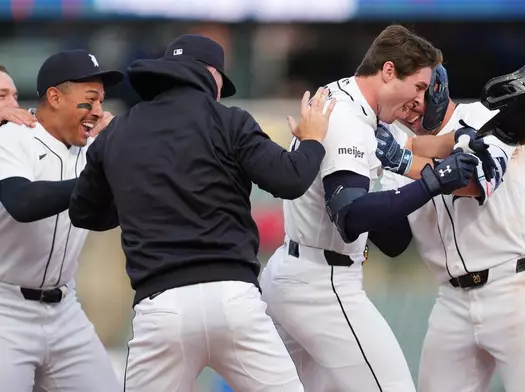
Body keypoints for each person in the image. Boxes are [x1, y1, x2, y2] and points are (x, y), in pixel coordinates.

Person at [68, 34, 336, 392]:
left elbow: (84, 212)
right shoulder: (230, 121)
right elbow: (290, 179)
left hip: (162, 307)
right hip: (233, 301)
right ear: (211, 75)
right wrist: (314, 139)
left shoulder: (117, 133)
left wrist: (141, 196)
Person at [259, 25, 493, 392]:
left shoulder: (350, 104)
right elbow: (351, 217)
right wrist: (433, 183)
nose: (420, 101)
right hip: (322, 283)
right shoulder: (349, 120)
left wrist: (412, 173)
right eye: (417, 86)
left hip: (293, 271)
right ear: (387, 71)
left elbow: (392, 239)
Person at [372, 62, 525, 392]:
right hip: (452, 301)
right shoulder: (395, 150)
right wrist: (360, 181)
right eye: (403, 103)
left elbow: (476, 181)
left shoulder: (484, 118)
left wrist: (404, 162)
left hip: (516, 288)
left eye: (417, 97)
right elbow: (394, 241)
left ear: (436, 87)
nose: (410, 110)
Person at [0, 49, 123, 392]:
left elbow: (103, 219)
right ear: (54, 97)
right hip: (6, 308)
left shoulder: (92, 150)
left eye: (101, 101)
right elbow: (22, 203)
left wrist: (117, 156)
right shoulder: (12, 137)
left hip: (65, 309)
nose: (98, 110)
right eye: (90, 100)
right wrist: (98, 177)